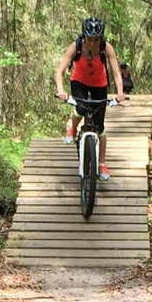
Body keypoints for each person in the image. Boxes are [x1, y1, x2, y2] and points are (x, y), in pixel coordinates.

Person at [54, 17, 128, 180]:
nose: (93, 43)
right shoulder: (75, 47)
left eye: (96, 39)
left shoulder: (106, 48)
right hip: (79, 82)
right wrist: (61, 90)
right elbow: (59, 71)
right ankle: (72, 129)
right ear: (84, 37)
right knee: (81, 108)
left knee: (100, 126)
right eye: (90, 39)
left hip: (100, 85)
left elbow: (116, 73)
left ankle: (101, 164)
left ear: (100, 38)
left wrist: (120, 93)